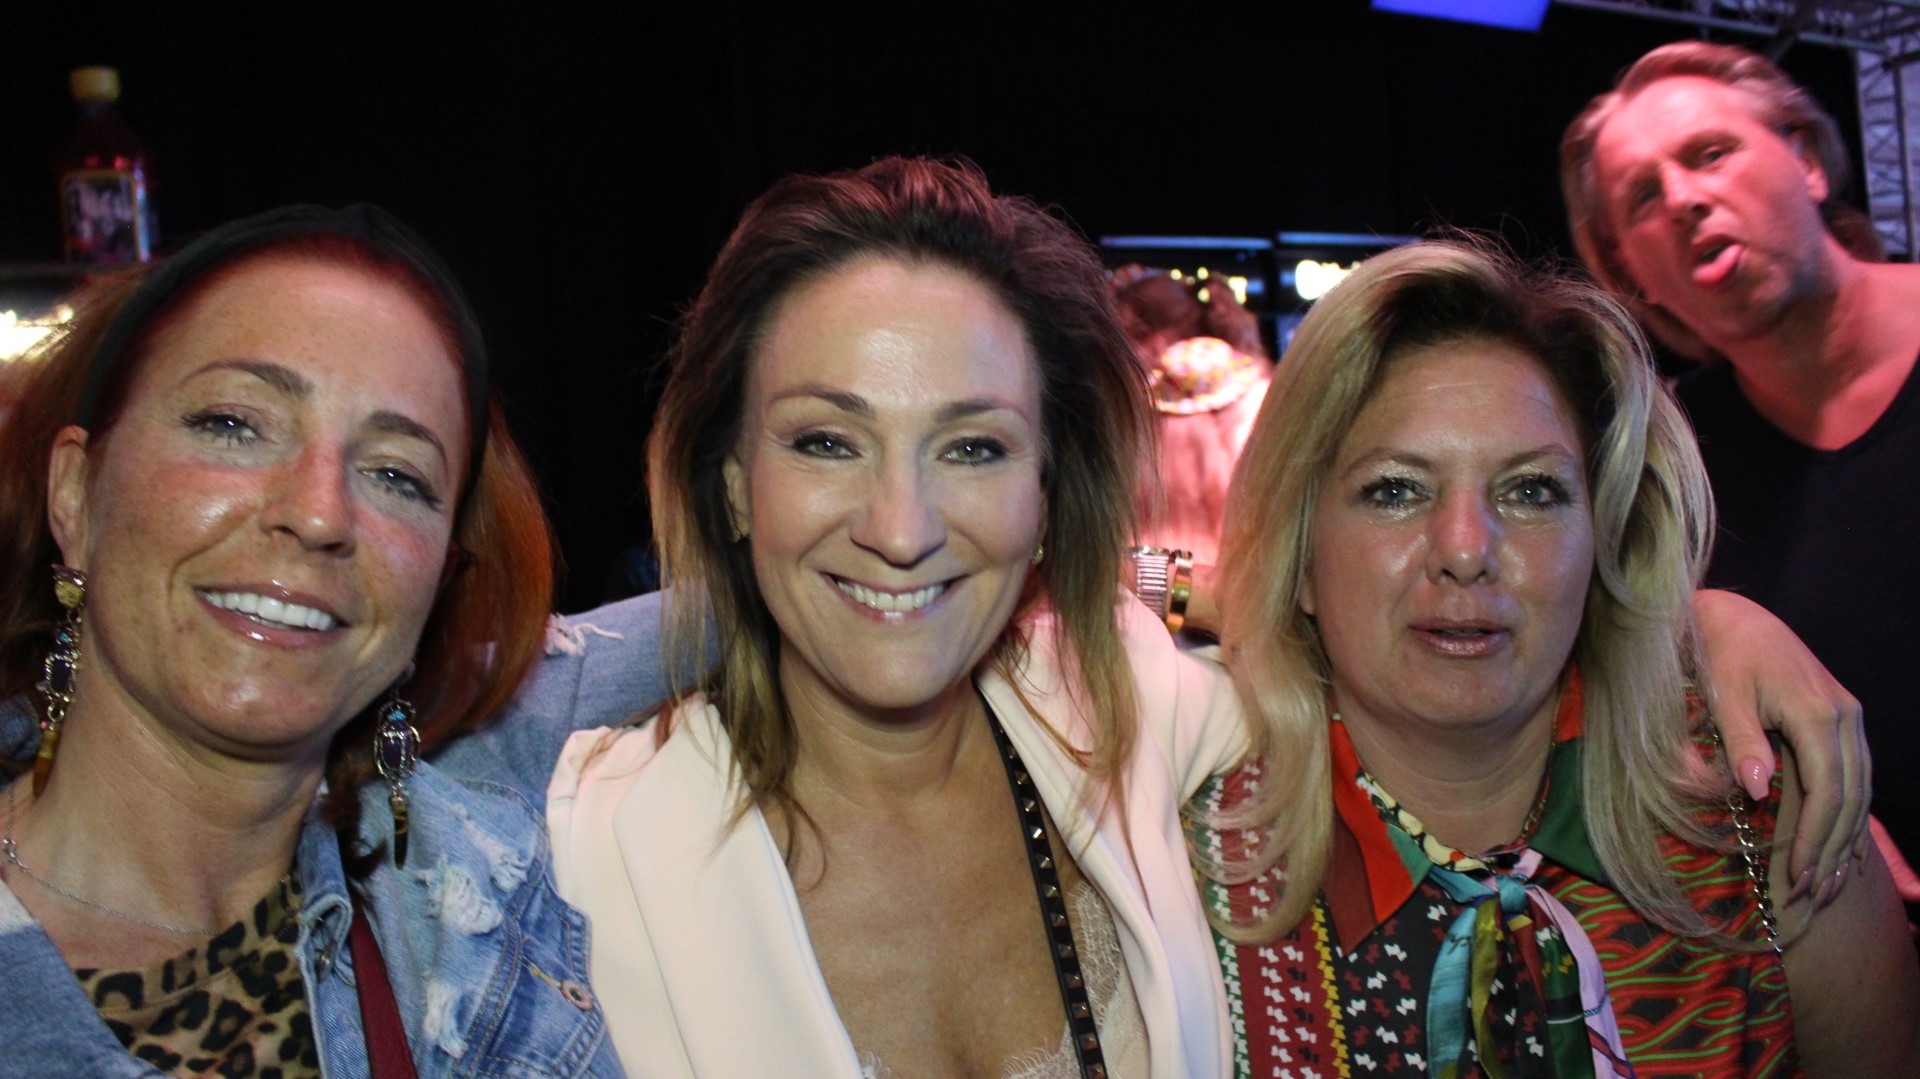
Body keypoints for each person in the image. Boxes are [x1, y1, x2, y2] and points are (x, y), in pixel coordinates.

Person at [546, 156, 1247, 1078]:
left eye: (972, 448)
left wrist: (1199, 588)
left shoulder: (1129, 695)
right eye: (827, 442)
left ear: (1044, 495)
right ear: (734, 488)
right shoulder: (596, 842)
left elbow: (1363, 675)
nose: (902, 530)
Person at [1193, 239, 1919, 1077]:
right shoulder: (1185, 862)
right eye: (1395, 489)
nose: (1465, 549)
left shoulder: (1763, 811)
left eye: (1531, 490)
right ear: (1302, 556)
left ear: (1601, 540)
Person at [0, 206, 623, 1077]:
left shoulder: (468, 919)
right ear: (76, 494)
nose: (321, 512)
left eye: (395, 475)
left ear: (438, 586)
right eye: (233, 424)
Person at [1561, 41, 1920, 882]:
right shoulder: (1661, 472)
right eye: (1643, 197)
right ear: (1633, 274)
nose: (1685, 199)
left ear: (1808, 162)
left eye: (1711, 153)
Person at [1112, 266, 1273, 565]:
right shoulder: (1260, 391)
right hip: (1250, 573)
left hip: (1149, 574)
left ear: (1148, 337)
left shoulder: (1124, 413)